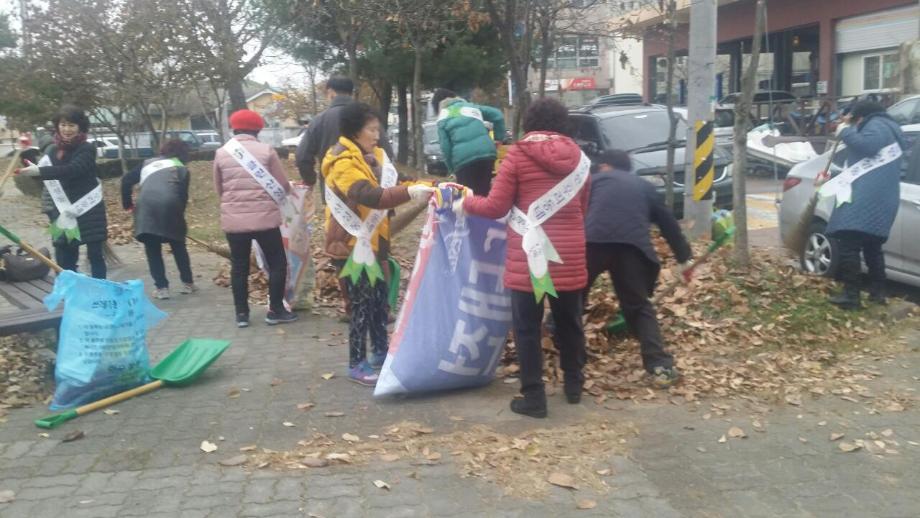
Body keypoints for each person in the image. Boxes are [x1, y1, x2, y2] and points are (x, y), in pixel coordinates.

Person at [456, 98, 589, 418]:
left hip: (529, 257)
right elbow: (584, 208)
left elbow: (495, 208)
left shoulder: (517, 156)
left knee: (527, 327)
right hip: (568, 254)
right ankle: (574, 386)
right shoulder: (580, 159)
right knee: (570, 323)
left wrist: (465, 203)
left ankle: (534, 397)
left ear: (529, 123)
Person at [321, 103, 435, 386]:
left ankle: (382, 354)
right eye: (372, 129)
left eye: (378, 128)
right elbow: (368, 195)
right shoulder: (341, 161)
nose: (377, 134)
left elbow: (399, 181)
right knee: (360, 306)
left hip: (376, 243)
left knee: (378, 304)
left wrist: (430, 185)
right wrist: (410, 192)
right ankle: (357, 363)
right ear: (355, 131)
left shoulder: (375, 157)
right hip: (350, 246)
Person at [583, 150, 692, 388]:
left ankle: (556, 343)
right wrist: (685, 259)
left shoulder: (594, 180)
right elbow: (668, 224)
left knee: (572, 297)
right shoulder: (644, 186)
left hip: (592, 243)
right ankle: (660, 366)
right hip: (631, 248)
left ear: (605, 166)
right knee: (638, 305)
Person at [214, 109, 297, 328]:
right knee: (277, 263)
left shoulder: (222, 153)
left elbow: (219, 187)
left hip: (234, 222)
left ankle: (242, 314)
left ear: (234, 128)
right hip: (265, 221)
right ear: (258, 129)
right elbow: (282, 185)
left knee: (239, 266)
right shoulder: (266, 150)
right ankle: (275, 311)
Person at [824, 100, 906, 309]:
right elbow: (864, 167)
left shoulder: (876, 125)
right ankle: (878, 293)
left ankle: (852, 296)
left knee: (848, 244)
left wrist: (844, 131)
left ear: (860, 116)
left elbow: (867, 147)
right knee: (872, 246)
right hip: (881, 198)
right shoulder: (891, 128)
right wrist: (831, 177)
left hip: (865, 199)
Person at [18, 105, 108, 279]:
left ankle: (100, 292)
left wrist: (41, 172)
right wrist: (26, 162)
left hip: (88, 210)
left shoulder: (87, 149)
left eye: (72, 125)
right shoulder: (52, 150)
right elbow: (43, 175)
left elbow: (73, 170)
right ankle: (70, 292)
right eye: (63, 124)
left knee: (95, 255)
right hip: (62, 210)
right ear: (57, 125)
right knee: (64, 256)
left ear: (80, 127)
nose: (67, 129)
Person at [121, 139, 195, 300]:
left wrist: (128, 205)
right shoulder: (182, 170)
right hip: (171, 206)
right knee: (178, 245)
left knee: (152, 249)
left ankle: (162, 288)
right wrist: (178, 216)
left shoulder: (147, 163)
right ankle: (187, 283)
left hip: (145, 207)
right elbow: (182, 196)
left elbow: (126, 181)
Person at [431, 88, 506, 195]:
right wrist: (498, 139)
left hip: (463, 161)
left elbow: (445, 147)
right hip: (486, 154)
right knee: (484, 192)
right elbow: (497, 115)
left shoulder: (442, 118)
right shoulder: (471, 106)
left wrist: (452, 170)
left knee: (467, 197)